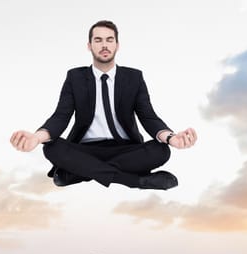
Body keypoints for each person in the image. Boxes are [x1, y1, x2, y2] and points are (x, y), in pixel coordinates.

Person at [10, 20, 197, 190]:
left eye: (109, 39)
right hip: (85, 149)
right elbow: (61, 116)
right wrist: (36, 137)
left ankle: (78, 172)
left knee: (161, 150)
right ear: (89, 46)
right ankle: (135, 181)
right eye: (98, 40)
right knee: (51, 147)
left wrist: (171, 137)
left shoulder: (134, 77)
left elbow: (148, 117)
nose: (105, 45)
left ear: (117, 45)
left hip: (125, 149)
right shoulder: (75, 77)